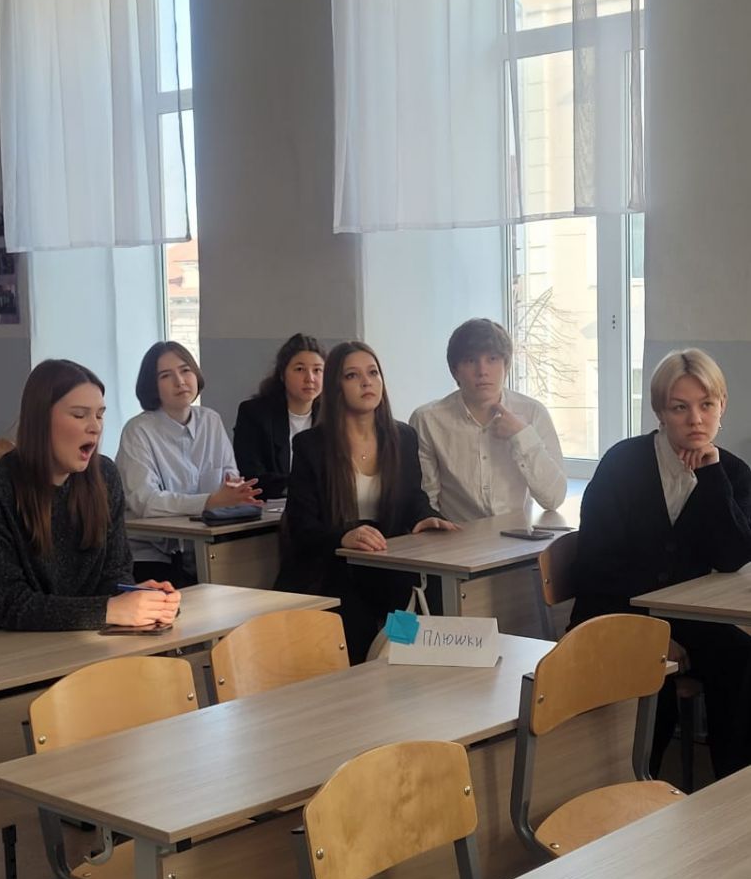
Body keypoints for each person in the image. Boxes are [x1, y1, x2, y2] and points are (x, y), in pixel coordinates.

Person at [571, 348, 751, 778]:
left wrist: (711, 478)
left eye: (707, 405)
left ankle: (731, 790)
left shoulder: (732, 472)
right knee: (654, 676)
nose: (696, 420)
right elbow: (594, 564)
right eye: (679, 407)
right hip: (613, 613)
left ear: (722, 406)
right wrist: (649, 633)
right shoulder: (623, 463)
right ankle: (636, 787)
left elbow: (732, 557)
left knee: (742, 660)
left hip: (686, 620)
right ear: (660, 412)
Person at [0, 359, 180, 637]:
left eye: (100, 415)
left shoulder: (104, 476)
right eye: (80, 415)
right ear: (40, 421)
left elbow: (114, 573)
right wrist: (109, 609)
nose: (95, 427)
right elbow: (10, 604)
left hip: (74, 642)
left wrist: (135, 597)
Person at [278, 341, 456, 663]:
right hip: (332, 567)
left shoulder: (402, 437)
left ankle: (401, 672)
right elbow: (302, 527)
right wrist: (343, 536)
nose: (366, 382)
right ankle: (362, 681)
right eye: (352, 375)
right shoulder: (311, 445)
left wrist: (425, 516)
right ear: (336, 387)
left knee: (421, 607)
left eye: (373, 373)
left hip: (386, 565)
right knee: (355, 625)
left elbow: (412, 497)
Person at [117, 341, 260, 584]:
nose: (180, 381)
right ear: (152, 385)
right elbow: (145, 502)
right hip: (153, 552)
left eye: (185, 370)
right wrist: (209, 501)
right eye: (166, 375)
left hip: (204, 546)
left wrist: (235, 496)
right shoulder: (138, 430)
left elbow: (231, 484)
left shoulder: (210, 421)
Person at [410, 318, 566, 522]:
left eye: (492, 359)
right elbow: (425, 503)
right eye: (470, 361)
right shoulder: (428, 420)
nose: (482, 371)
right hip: (457, 536)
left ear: (506, 365)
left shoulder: (532, 412)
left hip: (518, 536)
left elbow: (553, 499)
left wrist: (522, 435)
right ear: (455, 370)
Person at [233, 333, 326, 499]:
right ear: (282, 374)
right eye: (300, 369)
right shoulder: (254, 414)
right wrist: (303, 486)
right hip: (269, 508)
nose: (310, 378)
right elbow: (252, 476)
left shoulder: (332, 418)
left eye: (317, 370)